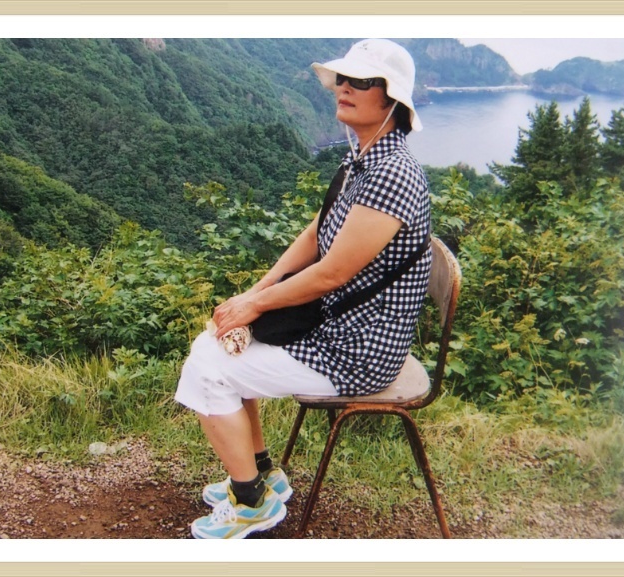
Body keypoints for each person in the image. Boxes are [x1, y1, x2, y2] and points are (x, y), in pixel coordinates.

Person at [174, 38, 432, 539]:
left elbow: (332, 273)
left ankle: (251, 503)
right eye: (342, 78)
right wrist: (256, 292)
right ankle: (261, 474)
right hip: (339, 328)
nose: (343, 88)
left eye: (361, 81)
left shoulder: (392, 174)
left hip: (358, 350)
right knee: (216, 345)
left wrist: (254, 304)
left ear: (393, 98)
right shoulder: (363, 159)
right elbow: (317, 233)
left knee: (207, 367)